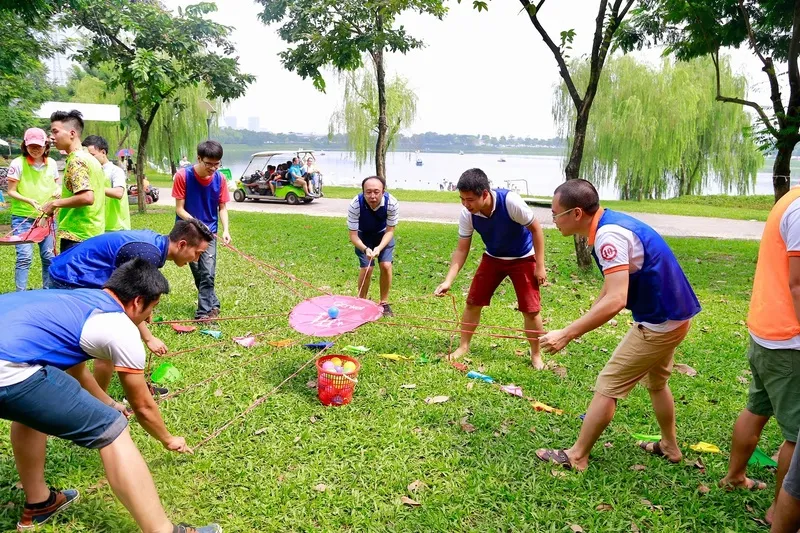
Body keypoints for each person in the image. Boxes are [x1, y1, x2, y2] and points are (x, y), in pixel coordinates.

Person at [0, 260, 220, 532]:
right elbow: (142, 406)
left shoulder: (83, 298)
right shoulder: (120, 327)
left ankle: (40, 502)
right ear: (138, 302)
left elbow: (75, 369)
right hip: (7, 369)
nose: (150, 319)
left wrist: (109, 402)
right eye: (151, 309)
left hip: (9, 360)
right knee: (112, 430)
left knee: (31, 411)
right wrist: (168, 438)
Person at [535, 179, 701, 471]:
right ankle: (670, 446)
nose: (553, 221)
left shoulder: (608, 236)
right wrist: (585, 318)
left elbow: (616, 299)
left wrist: (568, 333)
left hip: (659, 324)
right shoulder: (610, 223)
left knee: (607, 386)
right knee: (658, 383)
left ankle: (577, 456)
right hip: (675, 317)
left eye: (555, 214)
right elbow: (611, 288)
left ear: (576, 213)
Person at [49, 219, 214, 391]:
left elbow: (132, 300)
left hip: (74, 272)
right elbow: (129, 306)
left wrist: (145, 309)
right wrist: (149, 338)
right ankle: (99, 405)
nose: (197, 259)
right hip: (70, 277)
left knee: (99, 345)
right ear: (182, 244)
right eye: (198, 253)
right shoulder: (149, 255)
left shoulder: (156, 245)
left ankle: (97, 399)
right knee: (106, 343)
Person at [717, 185, 800, 526]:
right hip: (790, 342)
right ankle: (779, 511)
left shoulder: (791, 198)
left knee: (757, 406)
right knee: (796, 436)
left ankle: (734, 477)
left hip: (767, 332)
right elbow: (798, 284)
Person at [434, 168, 547, 368]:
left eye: (470, 200)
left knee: (531, 310)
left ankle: (536, 355)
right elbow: (461, 250)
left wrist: (540, 265)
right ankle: (463, 346)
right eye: (462, 199)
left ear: (485, 194)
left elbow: (536, 229)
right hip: (493, 257)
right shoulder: (467, 214)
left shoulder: (510, 202)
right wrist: (448, 280)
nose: (465, 204)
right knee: (472, 302)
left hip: (523, 257)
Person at [172, 140, 231, 320]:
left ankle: (204, 313)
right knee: (199, 273)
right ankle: (213, 304)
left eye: (217, 164)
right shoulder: (183, 176)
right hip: (188, 232)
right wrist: (196, 223)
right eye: (208, 164)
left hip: (210, 233)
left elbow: (222, 207)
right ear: (199, 158)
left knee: (208, 272)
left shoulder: (220, 179)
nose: (213, 168)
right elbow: (179, 209)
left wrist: (226, 230)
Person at [42, 110, 106, 253]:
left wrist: (54, 204)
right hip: (94, 232)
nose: (52, 137)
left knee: (71, 276)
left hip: (77, 236)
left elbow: (87, 197)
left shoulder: (76, 160)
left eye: (55, 132)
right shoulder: (90, 158)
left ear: (72, 133)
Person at [5, 128, 59, 291]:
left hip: (47, 217)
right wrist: (29, 201)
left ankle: (47, 292)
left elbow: (57, 184)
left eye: (39, 146)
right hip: (23, 218)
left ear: (46, 146)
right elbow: (11, 191)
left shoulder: (53, 164)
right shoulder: (17, 163)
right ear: (25, 146)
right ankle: (20, 294)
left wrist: (58, 189)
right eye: (31, 146)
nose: (35, 149)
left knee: (49, 256)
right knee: (24, 257)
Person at [347, 176, 399, 316]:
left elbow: (390, 231)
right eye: (368, 192)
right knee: (367, 268)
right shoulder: (355, 204)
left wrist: (379, 248)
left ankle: (384, 303)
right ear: (363, 192)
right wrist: (365, 249)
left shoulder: (392, 203)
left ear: (383, 191)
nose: (372, 196)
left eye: (376, 192)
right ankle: (361, 302)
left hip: (383, 236)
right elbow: (353, 235)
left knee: (386, 265)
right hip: (363, 236)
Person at [83, 135, 131, 232]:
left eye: (92, 155)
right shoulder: (89, 172)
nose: (89, 159)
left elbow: (118, 193)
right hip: (97, 226)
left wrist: (94, 188)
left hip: (116, 228)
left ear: (103, 152)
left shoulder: (115, 171)